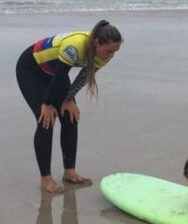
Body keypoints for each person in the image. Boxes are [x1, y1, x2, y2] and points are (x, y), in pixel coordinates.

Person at [16, 20, 123, 193]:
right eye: (109, 51)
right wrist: (48, 104)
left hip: (55, 73)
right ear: (96, 42)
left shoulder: (103, 55)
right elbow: (59, 76)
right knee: (46, 120)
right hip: (31, 69)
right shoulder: (75, 46)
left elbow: (82, 78)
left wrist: (69, 99)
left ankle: (69, 172)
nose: (111, 55)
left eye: (115, 52)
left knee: (70, 116)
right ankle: (46, 178)